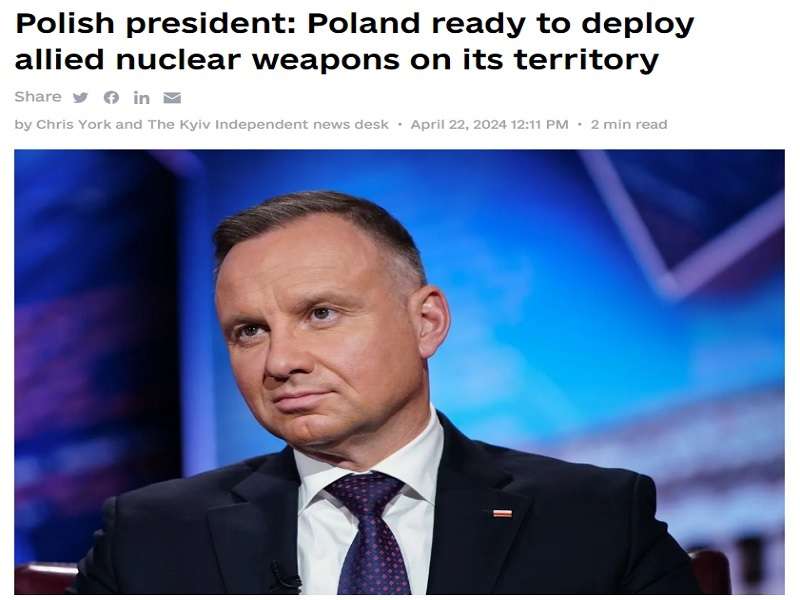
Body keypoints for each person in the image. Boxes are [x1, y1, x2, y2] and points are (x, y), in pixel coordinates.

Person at [72, 191, 700, 594]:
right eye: (249, 331)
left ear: (427, 321)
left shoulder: (595, 517)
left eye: (321, 314)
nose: (281, 362)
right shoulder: (150, 536)